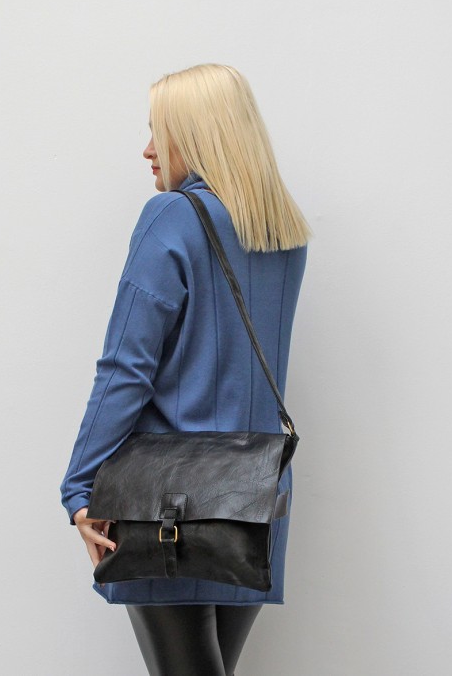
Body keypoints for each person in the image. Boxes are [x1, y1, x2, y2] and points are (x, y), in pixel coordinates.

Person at [60, 63, 311, 676]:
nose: (148, 150)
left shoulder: (172, 216)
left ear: (198, 136)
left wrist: (80, 487)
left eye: (159, 131)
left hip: (167, 501)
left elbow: (125, 368)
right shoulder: (279, 229)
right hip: (251, 502)